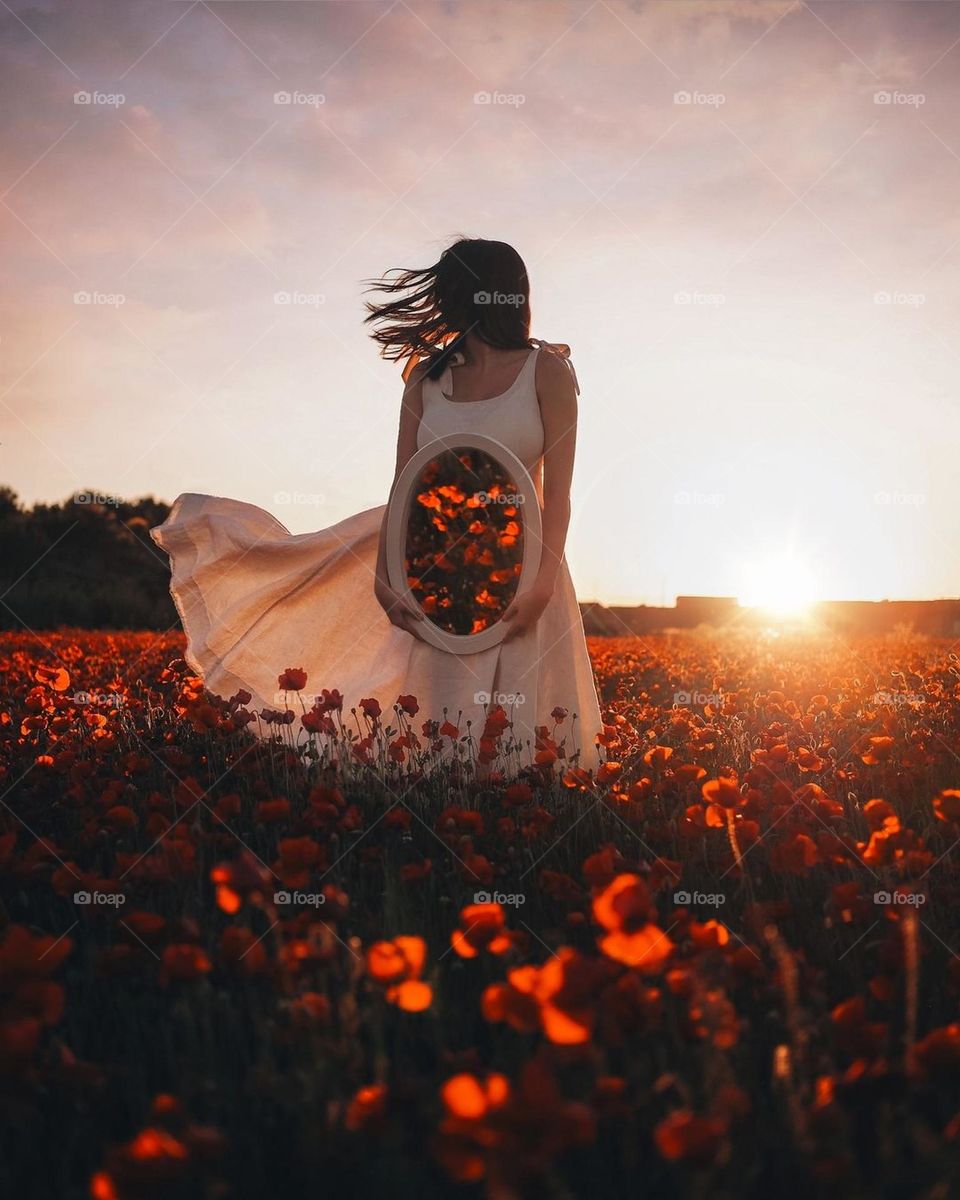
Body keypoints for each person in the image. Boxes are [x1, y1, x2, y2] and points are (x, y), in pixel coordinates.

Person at [150, 236, 603, 773]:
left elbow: (559, 495)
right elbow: (403, 486)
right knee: (445, 735)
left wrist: (543, 583)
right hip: (436, 571)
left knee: (520, 745)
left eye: (451, 285)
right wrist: (387, 578)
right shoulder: (426, 377)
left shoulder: (547, 372)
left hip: (525, 570)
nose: (441, 298)